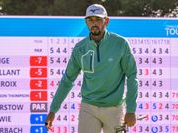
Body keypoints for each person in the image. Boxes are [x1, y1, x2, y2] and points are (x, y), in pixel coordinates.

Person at [46, 3, 138, 133]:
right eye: (90, 20)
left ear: (106, 21)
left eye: (98, 19)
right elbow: (67, 80)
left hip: (115, 108)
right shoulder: (80, 48)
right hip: (88, 108)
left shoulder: (120, 44)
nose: (94, 23)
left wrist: (131, 110)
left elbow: (132, 76)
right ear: (86, 22)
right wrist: (53, 110)